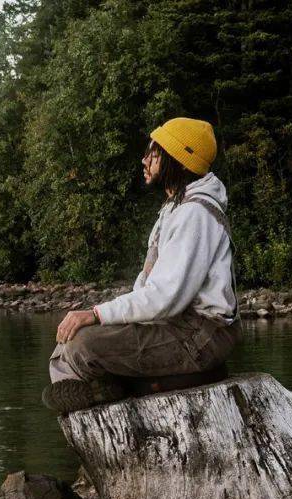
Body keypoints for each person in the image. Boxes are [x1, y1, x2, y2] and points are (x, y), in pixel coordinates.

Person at [43, 117, 239, 413]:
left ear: (179, 162)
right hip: (177, 327)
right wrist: (107, 319)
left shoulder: (195, 215)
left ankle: (101, 389)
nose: (145, 160)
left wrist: (96, 314)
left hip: (201, 336)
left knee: (81, 347)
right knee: (69, 340)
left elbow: (164, 297)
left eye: (154, 154)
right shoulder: (176, 209)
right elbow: (148, 288)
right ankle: (98, 388)